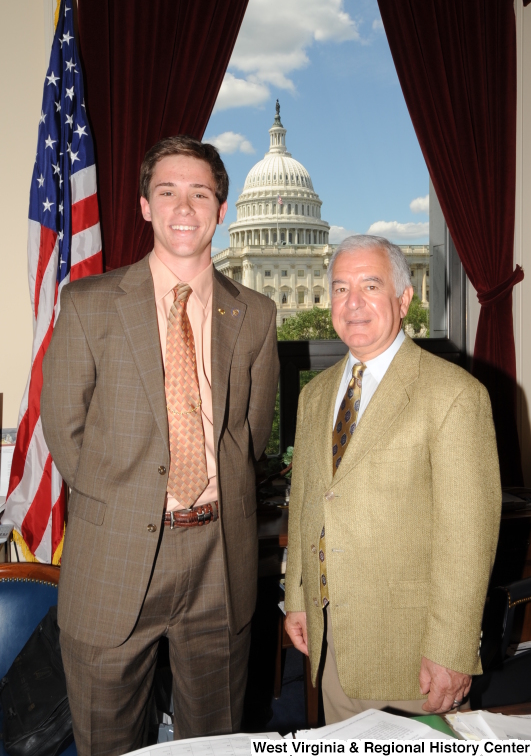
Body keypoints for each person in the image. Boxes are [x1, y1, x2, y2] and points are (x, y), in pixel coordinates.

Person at [41, 136, 279, 755]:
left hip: (218, 560)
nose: (183, 206)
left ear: (220, 210)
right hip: (114, 558)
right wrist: (128, 500)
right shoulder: (89, 304)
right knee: (108, 741)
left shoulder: (255, 313)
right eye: (167, 191)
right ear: (145, 205)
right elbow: (65, 431)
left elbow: (249, 436)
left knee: (215, 742)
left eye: (199, 193)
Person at [284, 234, 501, 722]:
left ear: (404, 300)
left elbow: (468, 537)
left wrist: (452, 648)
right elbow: (305, 505)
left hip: (414, 653)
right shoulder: (315, 395)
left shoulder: (454, 395)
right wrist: (297, 598)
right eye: (340, 288)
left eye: (370, 286)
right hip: (332, 639)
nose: (353, 303)